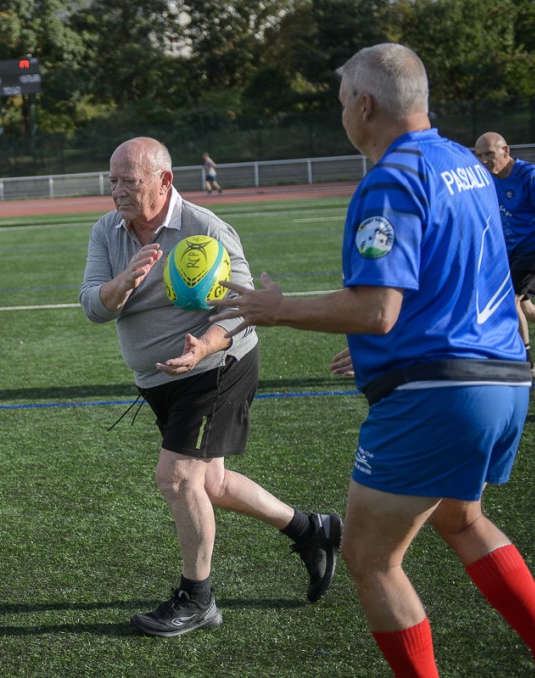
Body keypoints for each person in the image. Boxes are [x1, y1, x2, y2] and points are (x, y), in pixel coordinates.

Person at [213, 44, 535, 676]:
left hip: (438, 393)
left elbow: (376, 310)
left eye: (341, 103)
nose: (341, 115)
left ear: (364, 105)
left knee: (370, 558)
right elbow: (463, 277)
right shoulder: (465, 165)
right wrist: (388, 351)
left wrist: (274, 309)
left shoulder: (391, 177)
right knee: (461, 520)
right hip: (503, 379)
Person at [80, 136, 342, 638]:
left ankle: (197, 599)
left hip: (217, 366)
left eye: (129, 181)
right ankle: (313, 530)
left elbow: (243, 308)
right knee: (212, 485)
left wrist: (203, 346)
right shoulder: (106, 230)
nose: (117, 191)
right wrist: (123, 283)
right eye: (112, 181)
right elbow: (93, 305)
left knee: (177, 479)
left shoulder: (205, 228)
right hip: (159, 379)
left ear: (164, 180)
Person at [474, 132, 535, 372]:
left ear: (505, 151)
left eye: (489, 154)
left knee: (510, 301)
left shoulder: (528, 176)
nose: (484, 161)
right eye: (479, 155)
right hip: (509, 251)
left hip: (530, 249)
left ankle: (526, 364)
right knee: (527, 309)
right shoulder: (488, 179)